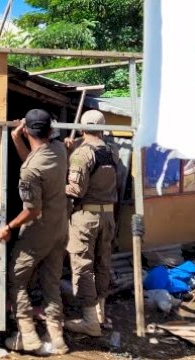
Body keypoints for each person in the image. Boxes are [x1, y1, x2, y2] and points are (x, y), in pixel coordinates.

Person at [0, 109, 69, 354]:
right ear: (50, 131)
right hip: (60, 229)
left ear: (27, 129)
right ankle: (57, 338)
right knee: (51, 282)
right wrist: (18, 139)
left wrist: (9, 227)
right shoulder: (59, 151)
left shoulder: (30, 171)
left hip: (38, 232)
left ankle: (28, 335)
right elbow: (33, 162)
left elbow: (32, 210)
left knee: (16, 279)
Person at [64, 110, 119, 336]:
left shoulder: (81, 155)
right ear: (103, 128)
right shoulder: (112, 151)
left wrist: (56, 185)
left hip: (86, 217)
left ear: (81, 128)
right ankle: (100, 314)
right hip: (107, 216)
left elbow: (76, 191)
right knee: (102, 264)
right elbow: (94, 144)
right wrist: (75, 144)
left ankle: (89, 322)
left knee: (83, 267)